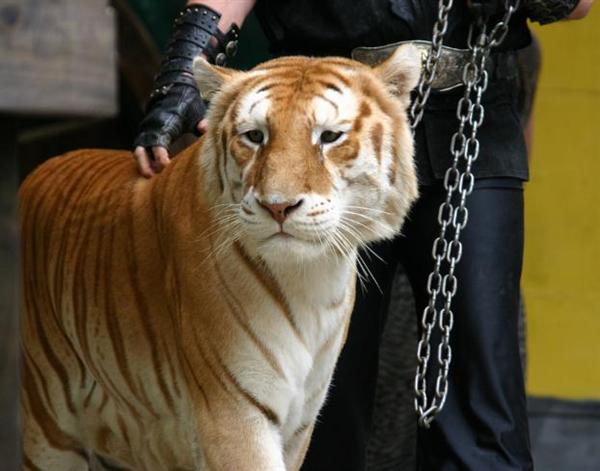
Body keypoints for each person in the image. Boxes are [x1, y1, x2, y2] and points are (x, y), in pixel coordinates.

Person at [133, 1, 594, 469]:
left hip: (470, 121)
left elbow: (578, 7)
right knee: (327, 390)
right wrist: (181, 75)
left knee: (480, 377)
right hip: (321, 125)